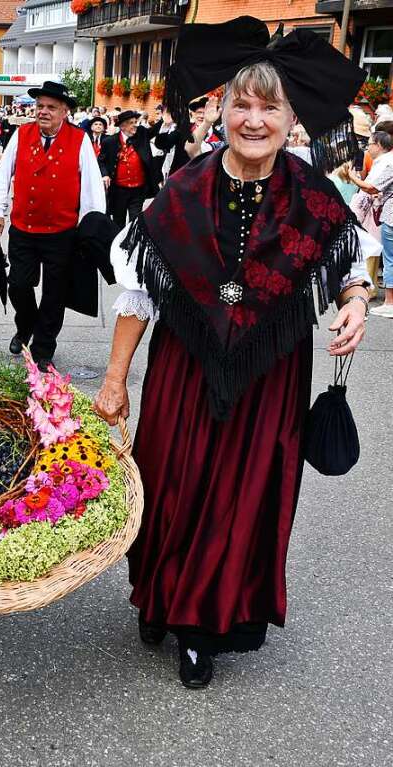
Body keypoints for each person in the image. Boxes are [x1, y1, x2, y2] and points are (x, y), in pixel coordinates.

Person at [93, 19, 373, 689]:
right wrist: (113, 379)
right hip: (182, 372)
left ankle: (201, 625)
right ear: (220, 108)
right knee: (169, 487)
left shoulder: (314, 192)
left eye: (267, 106)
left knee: (239, 497)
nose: (253, 118)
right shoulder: (180, 190)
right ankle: (157, 595)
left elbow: (350, 255)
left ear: (287, 115)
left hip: (269, 377)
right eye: (241, 103)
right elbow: (139, 291)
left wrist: (357, 298)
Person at [0, 80, 106, 369]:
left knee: (55, 293)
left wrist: (90, 229)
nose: (43, 111)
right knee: (18, 285)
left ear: (65, 111)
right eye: (39, 106)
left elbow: (91, 188)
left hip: (61, 233)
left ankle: (43, 347)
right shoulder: (21, 134)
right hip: (24, 229)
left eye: (51, 107)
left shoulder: (80, 140)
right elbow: (3, 175)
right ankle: (25, 326)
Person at [347, 131, 393, 316]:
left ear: (380, 145)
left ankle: (390, 302)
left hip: (390, 215)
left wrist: (353, 177)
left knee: (389, 259)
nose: (368, 148)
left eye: (370, 144)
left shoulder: (387, 162)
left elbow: (371, 187)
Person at [98, 110, 162, 229]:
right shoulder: (109, 142)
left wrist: (164, 119)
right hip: (119, 190)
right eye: (131, 123)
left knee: (135, 221)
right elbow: (101, 161)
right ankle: (117, 243)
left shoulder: (142, 134)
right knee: (118, 221)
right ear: (122, 126)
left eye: (135, 122)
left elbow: (153, 131)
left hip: (138, 189)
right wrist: (105, 174)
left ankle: (131, 244)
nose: (135, 125)